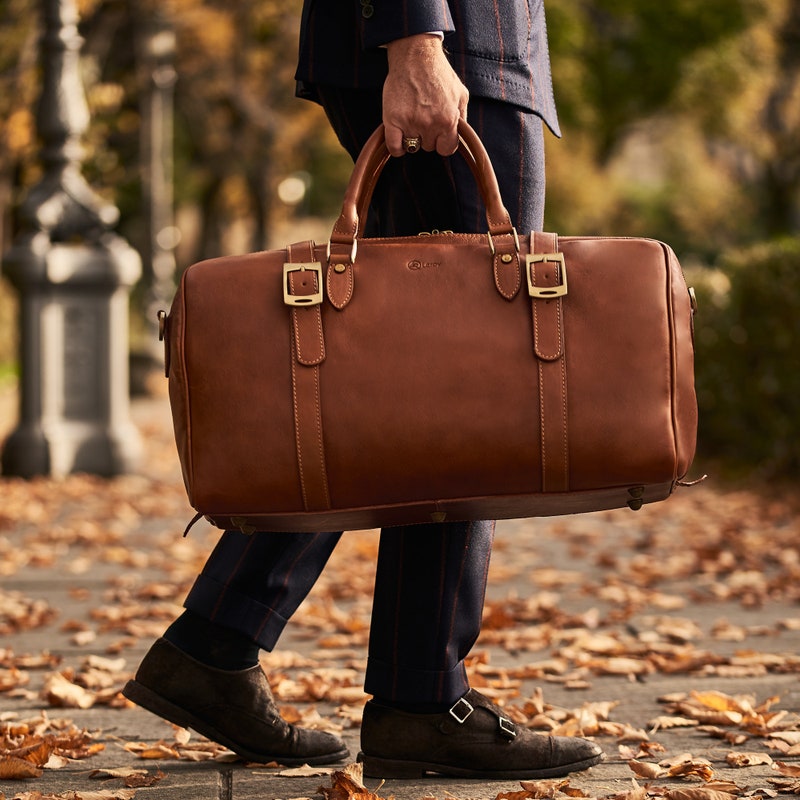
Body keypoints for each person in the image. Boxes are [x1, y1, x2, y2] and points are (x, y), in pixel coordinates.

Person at [123, 0, 604, 780]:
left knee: (418, 388)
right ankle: (415, 698)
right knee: (465, 382)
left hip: (458, 45)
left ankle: (220, 643)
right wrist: (416, 38)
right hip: (453, 42)